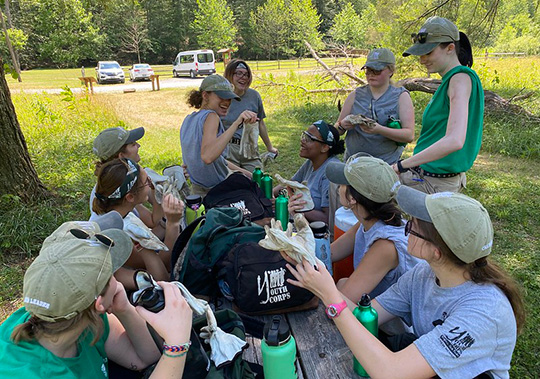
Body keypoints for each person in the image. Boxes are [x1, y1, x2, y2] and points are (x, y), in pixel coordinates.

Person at [287, 187, 524, 378]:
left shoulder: (483, 313)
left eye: (412, 226)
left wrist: (330, 296)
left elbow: (391, 371)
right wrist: (312, 270)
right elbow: (367, 315)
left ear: (437, 251)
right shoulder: (423, 274)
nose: (404, 229)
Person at [0, 218, 192, 378]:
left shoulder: (66, 312)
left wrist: (124, 308)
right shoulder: (32, 373)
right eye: (111, 275)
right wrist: (177, 343)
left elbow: (144, 358)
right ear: (99, 302)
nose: (117, 282)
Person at [392, 16, 484, 194]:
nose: (422, 60)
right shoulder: (451, 80)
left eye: (428, 53)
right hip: (427, 176)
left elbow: (454, 140)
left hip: (435, 184)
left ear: (450, 48)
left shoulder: (460, 79)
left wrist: (401, 166)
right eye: (421, 54)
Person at [325, 154, 420, 303]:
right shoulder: (369, 220)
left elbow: (342, 303)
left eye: (343, 183)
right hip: (376, 309)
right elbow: (329, 253)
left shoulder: (386, 246)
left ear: (352, 199)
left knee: (340, 287)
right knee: (342, 282)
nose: (338, 187)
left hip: (394, 323)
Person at [92, 158, 184, 289]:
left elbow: (151, 230)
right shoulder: (118, 234)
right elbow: (163, 266)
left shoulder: (120, 211)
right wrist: (173, 224)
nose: (151, 182)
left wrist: (165, 222)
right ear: (130, 197)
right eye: (146, 181)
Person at [180, 74, 256, 197]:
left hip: (197, 192)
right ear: (205, 95)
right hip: (217, 192)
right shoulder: (211, 116)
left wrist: (248, 174)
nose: (226, 102)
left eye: (229, 99)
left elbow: (217, 160)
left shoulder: (189, 120)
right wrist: (236, 123)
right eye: (222, 97)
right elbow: (208, 156)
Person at [335, 48, 415, 163]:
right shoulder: (355, 95)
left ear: (391, 71)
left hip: (386, 165)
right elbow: (337, 130)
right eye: (368, 70)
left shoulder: (401, 96)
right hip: (354, 164)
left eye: (377, 71)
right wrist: (343, 125)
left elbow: (409, 135)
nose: (371, 75)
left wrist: (379, 129)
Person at [91, 126, 165, 237]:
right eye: (133, 144)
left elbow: (153, 221)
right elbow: (153, 222)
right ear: (122, 156)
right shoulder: (121, 190)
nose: (139, 146)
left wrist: (157, 188)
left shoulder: (120, 183)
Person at [274, 121, 344, 224]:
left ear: (325, 147)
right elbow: (289, 183)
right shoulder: (311, 163)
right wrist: (271, 194)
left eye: (309, 139)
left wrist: (298, 208)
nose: (303, 140)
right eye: (304, 135)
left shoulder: (330, 172)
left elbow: (328, 218)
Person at [222, 59, 278, 171]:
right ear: (229, 75)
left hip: (250, 147)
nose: (243, 78)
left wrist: (269, 147)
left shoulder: (254, 96)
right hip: (229, 149)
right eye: (239, 73)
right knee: (234, 183)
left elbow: (260, 122)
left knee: (257, 181)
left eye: (246, 74)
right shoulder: (222, 97)